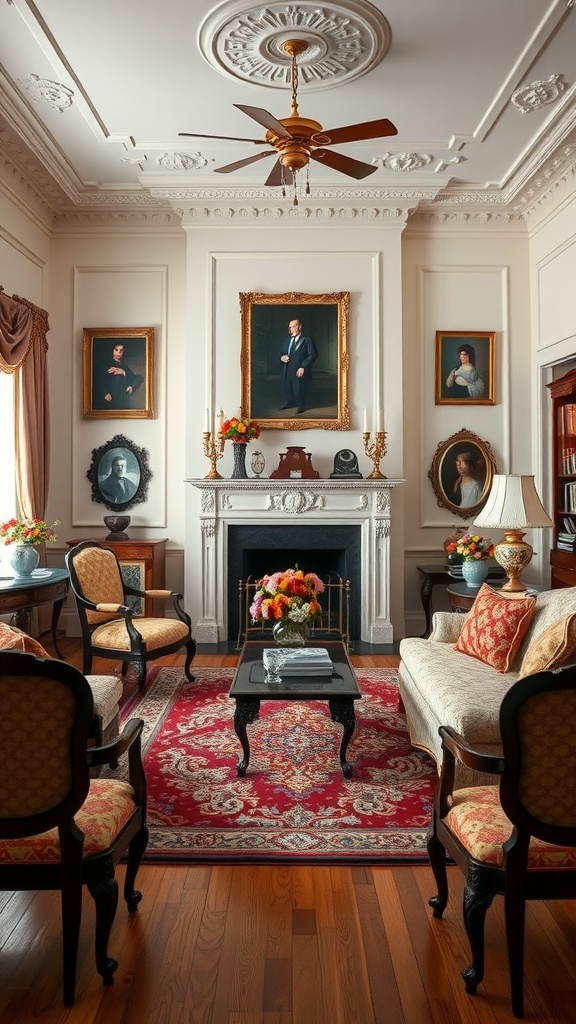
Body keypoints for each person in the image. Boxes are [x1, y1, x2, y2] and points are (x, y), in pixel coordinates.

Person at [279, 318, 318, 414]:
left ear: (300, 327)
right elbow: (282, 353)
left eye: (293, 327)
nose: (291, 330)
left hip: (299, 368)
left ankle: (302, 405)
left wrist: (303, 366)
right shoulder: (287, 340)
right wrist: (281, 357)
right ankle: (289, 402)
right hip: (287, 368)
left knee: (299, 388)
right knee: (288, 386)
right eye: (290, 327)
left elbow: (313, 355)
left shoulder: (306, 339)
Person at [95, 343, 144, 409]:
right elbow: (98, 379)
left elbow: (139, 378)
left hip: (121, 401)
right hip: (106, 400)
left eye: (121, 350)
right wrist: (105, 393)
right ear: (112, 350)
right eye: (116, 350)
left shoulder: (125, 368)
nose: (118, 352)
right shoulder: (104, 365)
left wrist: (124, 374)